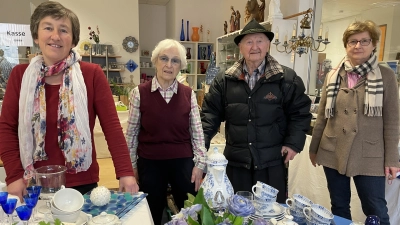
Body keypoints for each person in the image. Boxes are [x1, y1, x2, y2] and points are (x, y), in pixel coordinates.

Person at [0, 1, 138, 201]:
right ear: (36, 36)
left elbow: (112, 128)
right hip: (33, 184)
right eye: (48, 28)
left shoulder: (92, 74)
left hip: (82, 182)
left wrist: (126, 173)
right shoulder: (20, 75)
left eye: (63, 30)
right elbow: (6, 128)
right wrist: (13, 176)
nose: (55, 36)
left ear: (73, 40)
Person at [201, 19, 311, 203]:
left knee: (271, 215)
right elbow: (209, 115)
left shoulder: (286, 78)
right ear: (240, 47)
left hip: (272, 163)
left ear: (267, 45)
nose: (255, 47)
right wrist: (200, 147)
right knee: (236, 215)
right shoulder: (225, 80)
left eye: (259, 41)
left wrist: (293, 143)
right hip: (236, 163)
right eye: (249, 42)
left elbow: (300, 113)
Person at [309, 20, 399, 225]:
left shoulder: (386, 76)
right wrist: (314, 149)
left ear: (374, 44)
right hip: (333, 149)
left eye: (364, 41)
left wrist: (393, 159)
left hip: (369, 153)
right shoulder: (333, 75)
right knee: (339, 205)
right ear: (346, 45)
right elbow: (322, 115)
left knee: (375, 208)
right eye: (352, 41)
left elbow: (392, 121)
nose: (358, 46)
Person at [126, 39, 206, 225]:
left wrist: (200, 164)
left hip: (183, 162)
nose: (169, 65)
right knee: (150, 212)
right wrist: (131, 167)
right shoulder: (139, 93)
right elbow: (131, 134)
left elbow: (197, 133)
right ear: (155, 61)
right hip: (150, 162)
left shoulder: (188, 94)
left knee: (191, 213)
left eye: (175, 60)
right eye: (164, 58)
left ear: (181, 66)